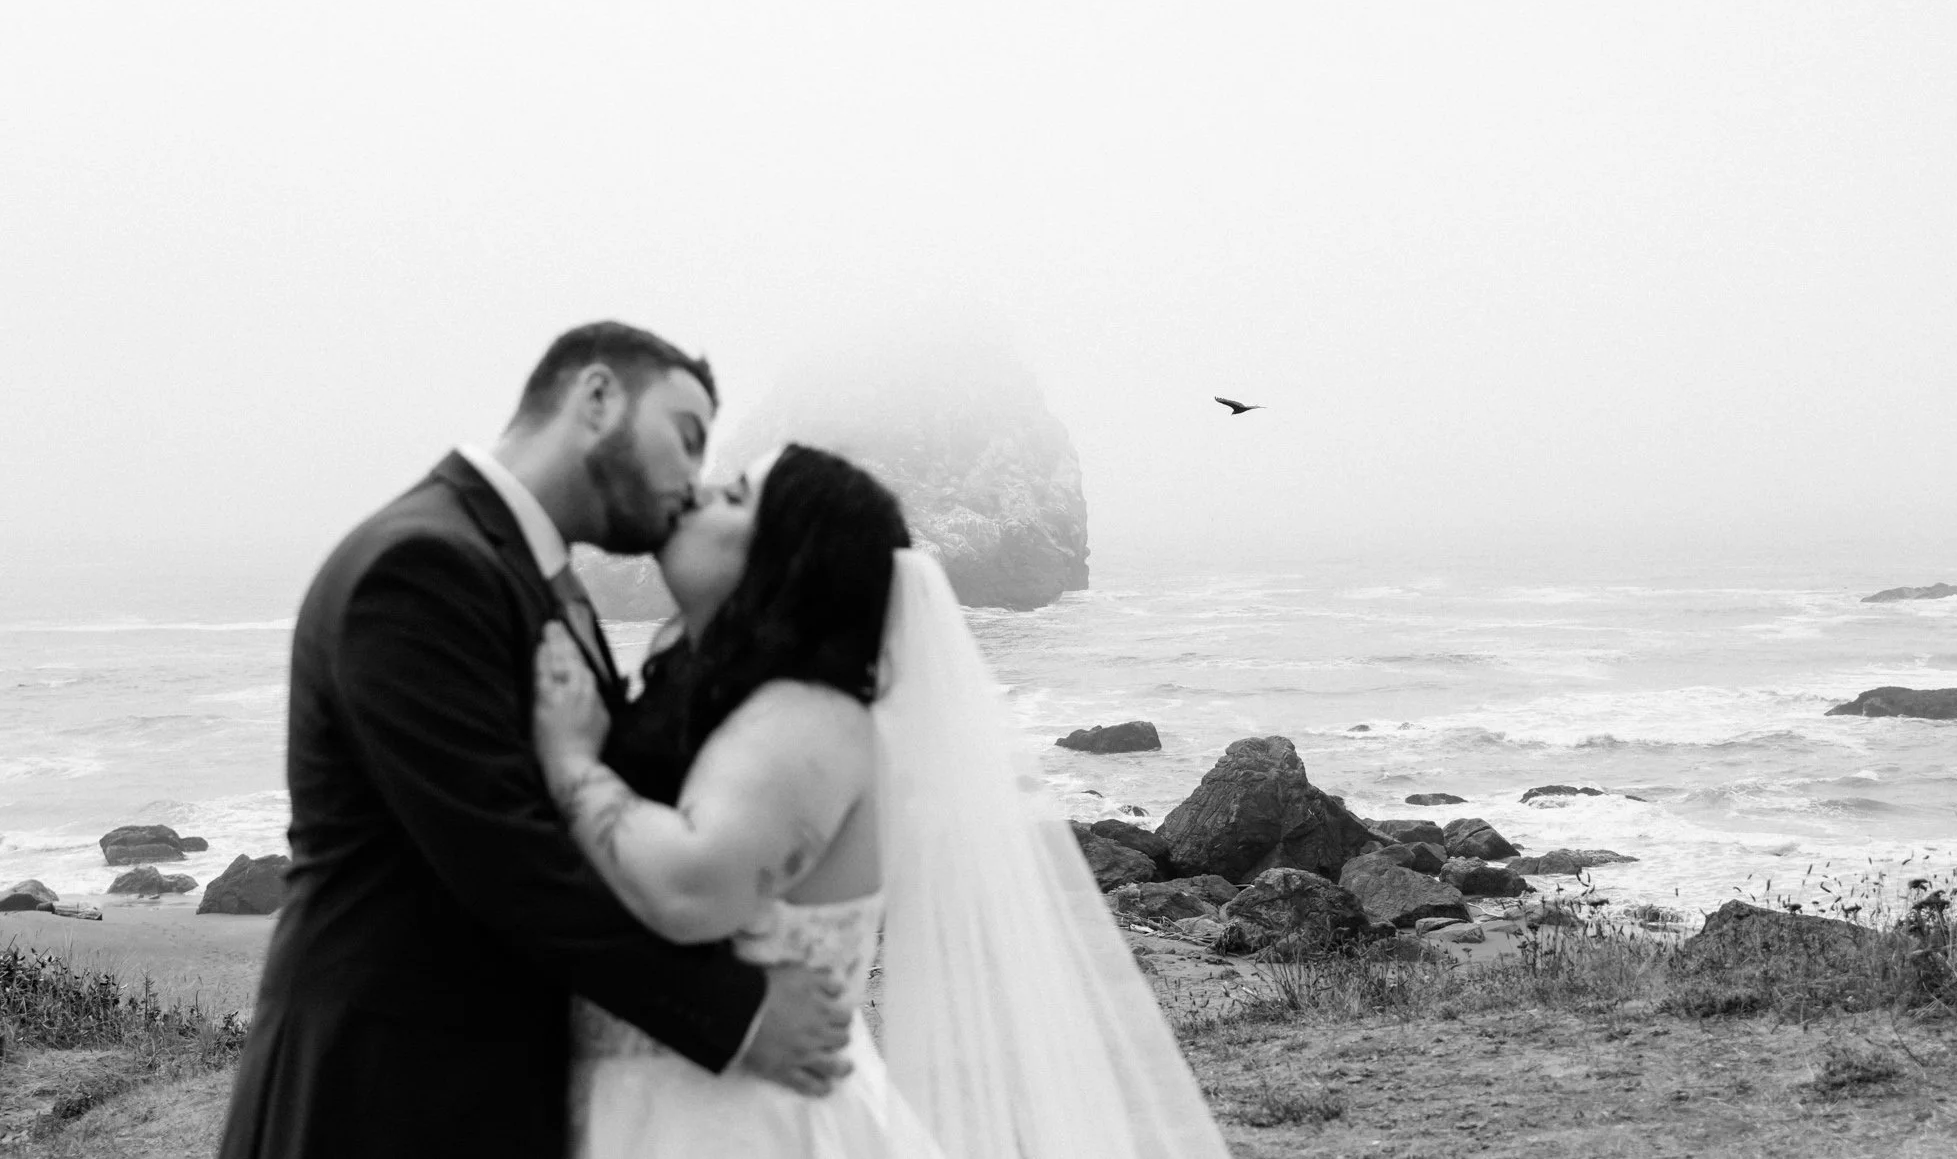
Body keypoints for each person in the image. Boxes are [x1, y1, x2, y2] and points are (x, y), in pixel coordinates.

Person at [218, 323, 851, 1159]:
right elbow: (507, 855)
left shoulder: (534, 574)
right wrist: (737, 1013)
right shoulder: (420, 566)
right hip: (385, 1095)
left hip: (493, 1091)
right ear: (596, 398)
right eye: (686, 439)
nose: (691, 485)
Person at [533, 442, 1232, 1159]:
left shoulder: (813, 720)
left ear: (787, 563)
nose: (700, 494)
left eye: (736, 496)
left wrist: (568, 761)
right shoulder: (752, 704)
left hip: (741, 1125)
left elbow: (691, 887)